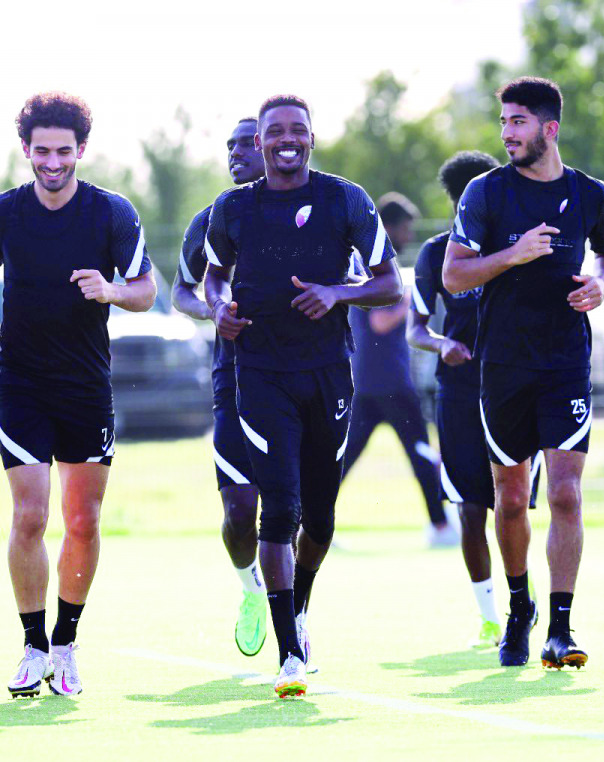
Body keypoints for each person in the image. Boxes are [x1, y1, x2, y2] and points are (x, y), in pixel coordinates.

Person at [204, 94, 402, 697]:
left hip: (328, 373)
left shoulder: (345, 199)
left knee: (319, 517)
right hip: (260, 373)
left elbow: (388, 282)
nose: (286, 139)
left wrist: (337, 294)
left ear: (312, 139)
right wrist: (220, 310)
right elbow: (211, 274)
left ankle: (300, 607)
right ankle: (291, 654)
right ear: (260, 142)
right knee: (278, 510)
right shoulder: (233, 208)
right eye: (274, 132)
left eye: (297, 130)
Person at [0, 92, 156, 698]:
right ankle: (32, 646)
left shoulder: (111, 214)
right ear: (26, 150)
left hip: (85, 385)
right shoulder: (2, 213)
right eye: (41, 151)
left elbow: (148, 290)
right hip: (21, 382)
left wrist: (111, 290)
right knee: (30, 515)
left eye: (63, 151)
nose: (52, 162)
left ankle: (67, 645)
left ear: (80, 151)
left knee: (83, 518)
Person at [442, 77, 604, 669]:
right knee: (511, 498)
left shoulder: (591, 193)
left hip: (567, 364)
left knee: (566, 494)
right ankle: (520, 610)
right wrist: (512, 254)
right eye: (503, 123)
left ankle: (562, 628)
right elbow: (454, 275)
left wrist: (603, 282)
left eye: (517, 122)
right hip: (504, 367)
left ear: (549, 128)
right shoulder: (485, 193)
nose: (506, 134)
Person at [409, 151, 544, 649]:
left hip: (515, 386)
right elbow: (416, 329)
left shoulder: (518, 248)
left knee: (513, 505)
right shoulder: (437, 253)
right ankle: (492, 615)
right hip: (460, 393)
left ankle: (521, 601)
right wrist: (444, 344)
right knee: (469, 509)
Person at [171, 117, 268, 657]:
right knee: (239, 512)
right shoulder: (211, 220)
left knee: (294, 511)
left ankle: (294, 616)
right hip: (233, 377)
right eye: (229, 145)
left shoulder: (317, 212)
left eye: (245, 144)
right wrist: (214, 308)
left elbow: (356, 280)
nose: (235, 153)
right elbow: (182, 292)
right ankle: (253, 591)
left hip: (306, 376)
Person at [341, 192, 457, 547]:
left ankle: (309, 525)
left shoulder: (365, 263)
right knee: (421, 452)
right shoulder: (367, 265)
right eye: (405, 228)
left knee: (343, 460)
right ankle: (440, 527)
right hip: (388, 382)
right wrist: (409, 297)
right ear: (389, 228)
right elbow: (378, 322)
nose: (409, 235)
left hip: (369, 382)